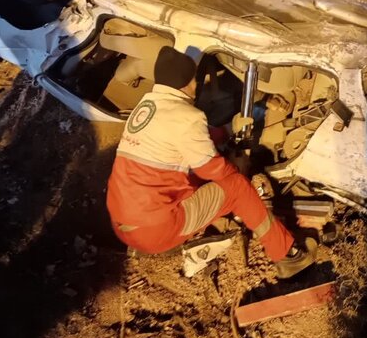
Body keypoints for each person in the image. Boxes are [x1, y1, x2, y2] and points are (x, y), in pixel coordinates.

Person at [106, 46, 317, 278]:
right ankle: (288, 255)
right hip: (156, 231)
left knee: (196, 177)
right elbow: (213, 170)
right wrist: (238, 167)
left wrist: (232, 127)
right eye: (194, 80)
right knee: (237, 187)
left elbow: (195, 137)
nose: (196, 86)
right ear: (186, 83)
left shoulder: (147, 108)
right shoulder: (187, 117)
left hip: (123, 226)